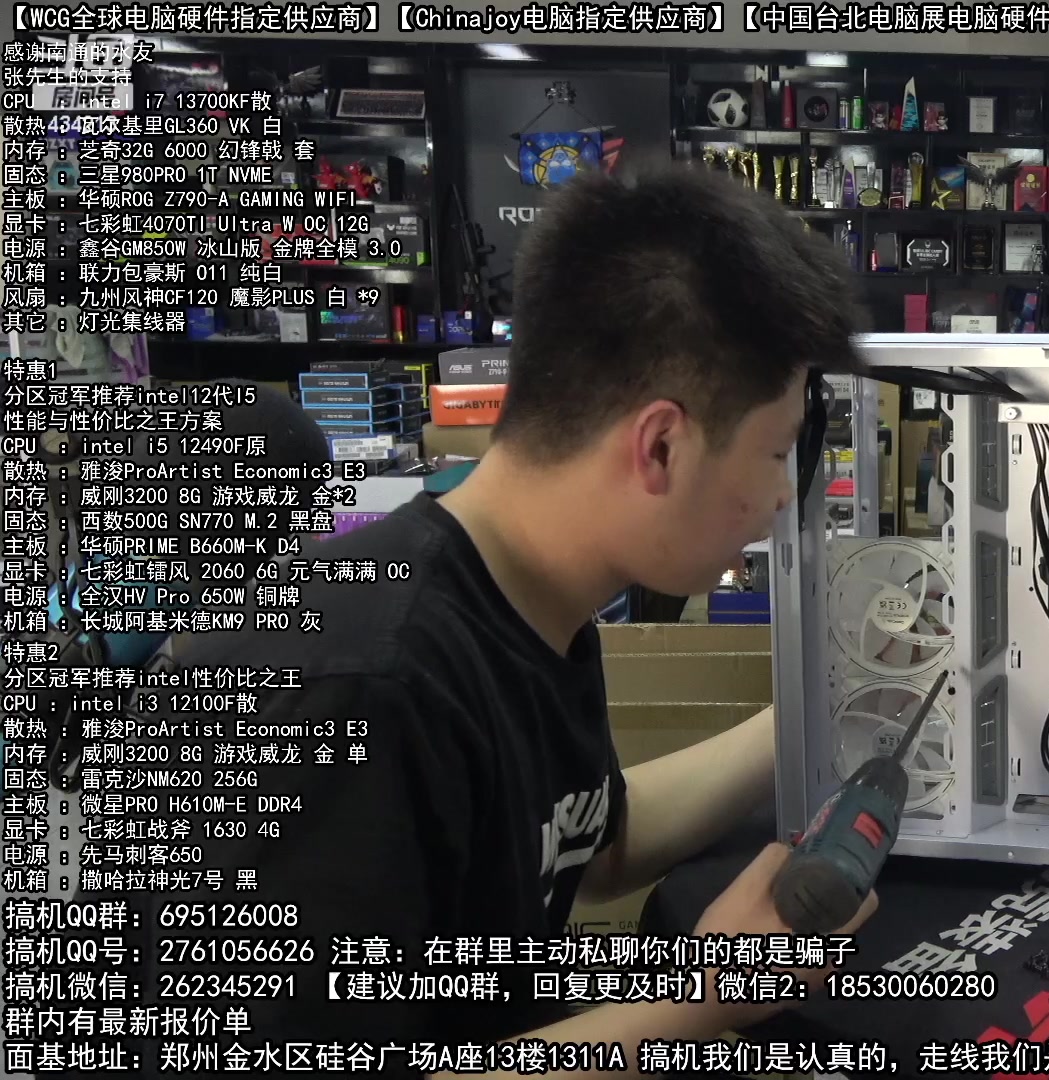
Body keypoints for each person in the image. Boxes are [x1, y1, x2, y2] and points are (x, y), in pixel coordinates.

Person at [87, 169, 877, 1076]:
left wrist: (820, 709)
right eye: (776, 453)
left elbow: (589, 839)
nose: (781, 496)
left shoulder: (533, 597)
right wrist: (702, 997)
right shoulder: (349, 693)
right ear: (660, 446)